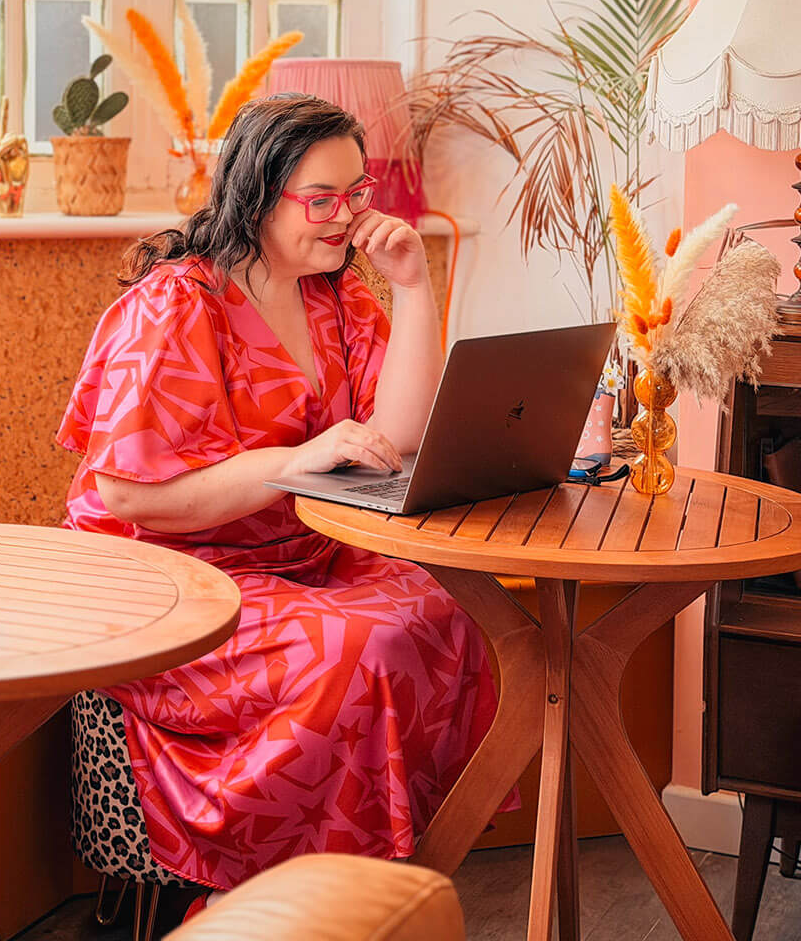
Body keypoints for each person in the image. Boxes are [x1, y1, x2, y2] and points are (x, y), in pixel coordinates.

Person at [57, 94, 503, 895]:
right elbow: (128, 497)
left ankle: (380, 883)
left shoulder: (335, 294)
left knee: (454, 604)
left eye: (356, 194)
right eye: (322, 199)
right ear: (257, 195)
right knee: (355, 649)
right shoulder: (178, 303)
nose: (345, 218)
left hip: (296, 555)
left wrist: (412, 284)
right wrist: (300, 458)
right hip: (171, 579)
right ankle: (308, 894)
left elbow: (399, 433)